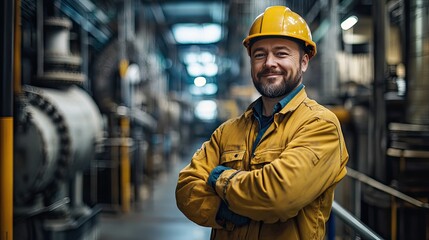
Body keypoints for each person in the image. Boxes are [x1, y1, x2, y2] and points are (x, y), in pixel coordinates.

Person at [175, 5, 349, 240]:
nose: (269, 63)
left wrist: (219, 178)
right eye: (260, 54)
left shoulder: (320, 125)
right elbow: (186, 188)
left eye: (281, 53)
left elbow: (278, 196)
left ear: (304, 61)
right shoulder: (228, 131)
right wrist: (224, 210)